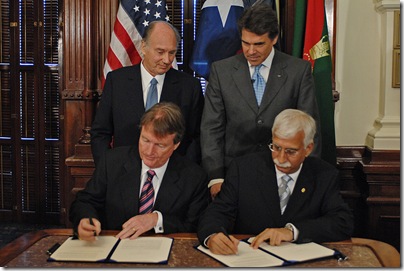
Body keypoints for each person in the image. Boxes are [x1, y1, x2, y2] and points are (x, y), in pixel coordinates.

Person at [200, 3, 322, 199]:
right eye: (245, 43)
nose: (250, 51)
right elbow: (211, 128)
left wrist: (307, 177)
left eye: (258, 44)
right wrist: (215, 176)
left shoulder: (298, 71)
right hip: (233, 175)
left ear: (273, 39)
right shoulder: (221, 71)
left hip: (284, 172)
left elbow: (310, 130)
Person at [197, 109, 353, 255]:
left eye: (291, 151)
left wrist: (292, 231)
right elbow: (216, 212)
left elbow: (342, 222)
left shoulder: (324, 175)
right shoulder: (244, 169)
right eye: (276, 147)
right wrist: (212, 236)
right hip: (252, 258)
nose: (281, 158)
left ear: (308, 148)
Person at [70, 102, 209, 241]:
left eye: (160, 145)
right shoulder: (113, 162)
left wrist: (157, 220)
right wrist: (85, 220)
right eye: (145, 140)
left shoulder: (193, 177)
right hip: (116, 247)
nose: (149, 152)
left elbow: (195, 226)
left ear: (176, 145)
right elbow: (85, 202)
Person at [91, 20, 204, 167]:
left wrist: (185, 173)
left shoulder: (190, 86)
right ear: (143, 47)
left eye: (172, 52)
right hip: (124, 173)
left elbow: (197, 137)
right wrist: (107, 170)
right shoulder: (117, 81)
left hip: (174, 177)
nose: (167, 60)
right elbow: (100, 133)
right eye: (160, 52)